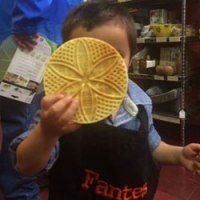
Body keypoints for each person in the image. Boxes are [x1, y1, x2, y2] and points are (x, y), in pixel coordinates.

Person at [11, 1, 200, 200]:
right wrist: (47, 132)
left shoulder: (139, 100)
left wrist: (178, 155)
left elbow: (152, 145)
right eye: (88, 54)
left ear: (130, 59)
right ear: (65, 55)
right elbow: (25, 166)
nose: (100, 67)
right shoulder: (55, 107)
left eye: (115, 56)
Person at [0, 0, 83, 199]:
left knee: (21, 123)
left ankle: (20, 187)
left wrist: (26, 23)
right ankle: (22, 189)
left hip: (29, 35)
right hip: (42, 32)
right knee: (26, 124)